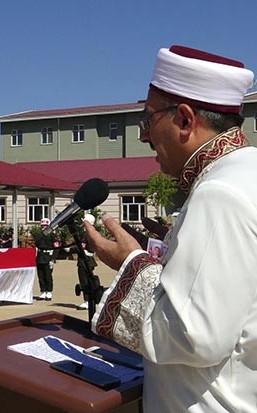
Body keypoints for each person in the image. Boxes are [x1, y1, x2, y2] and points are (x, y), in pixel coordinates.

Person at [83, 45, 256, 412]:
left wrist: (130, 262)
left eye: (147, 120)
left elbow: (193, 334)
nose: (144, 136)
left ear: (184, 120)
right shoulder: (246, 174)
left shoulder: (218, 194)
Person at [34, 218, 59, 301]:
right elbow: (36, 244)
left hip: (48, 256)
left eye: (45, 226)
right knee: (40, 275)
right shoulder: (39, 235)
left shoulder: (52, 235)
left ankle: (49, 291)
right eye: (42, 226)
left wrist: (53, 259)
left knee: (48, 275)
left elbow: (56, 248)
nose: (43, 227)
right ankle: (43, 291)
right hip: (40, 256)